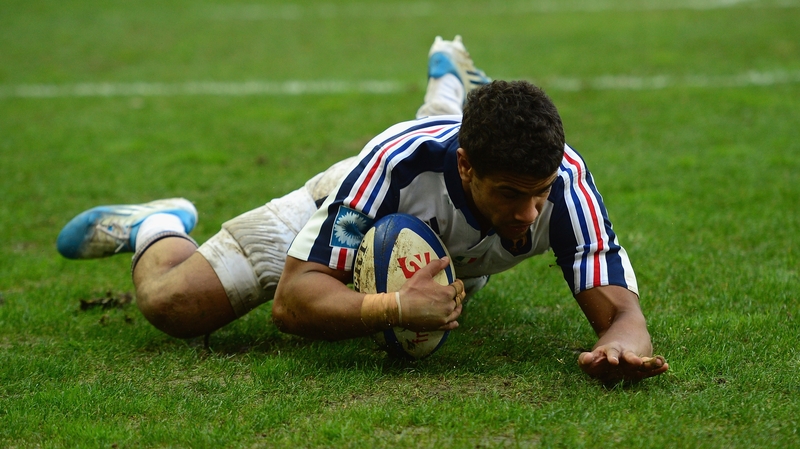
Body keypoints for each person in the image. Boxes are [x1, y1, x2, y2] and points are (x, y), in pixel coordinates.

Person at [57, 36, 668, 384]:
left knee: (439, 194)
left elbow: (622, 311)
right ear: (469, 169)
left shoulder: (564, 186)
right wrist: (396, 306)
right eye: (510, 194)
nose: (529, 214)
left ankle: (448, 81)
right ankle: (157, 223)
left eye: (538, 194)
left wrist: (621, 345)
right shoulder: (391, 167)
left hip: (437, 208)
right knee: (174, 306)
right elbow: (294, 302)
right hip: (342, 201)